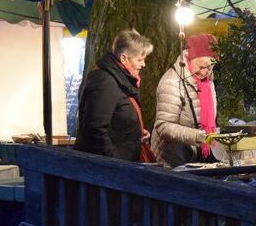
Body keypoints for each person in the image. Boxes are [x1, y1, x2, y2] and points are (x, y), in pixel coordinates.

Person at [74, 30, 155, 161]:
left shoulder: (119, 78)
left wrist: (135, 131)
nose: (143, 64)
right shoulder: (104, 81)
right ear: (123, 58)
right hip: (109, 169)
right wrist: (114, 162)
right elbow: (95, 129)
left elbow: (117, 116)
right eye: (140, 59)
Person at [153, 33, 218, 168]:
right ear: (190, 58)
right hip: (172, 158)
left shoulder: (208, 82)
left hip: (196, 156)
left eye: (210, 66)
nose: (205, 72)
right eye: (201, 67)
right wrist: (196, 136)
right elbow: (163, 126)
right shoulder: (171, 82)